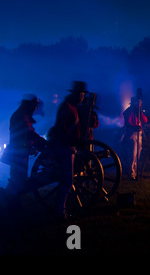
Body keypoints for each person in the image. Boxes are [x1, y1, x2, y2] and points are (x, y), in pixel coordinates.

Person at [47, 81, 87, 218]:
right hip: (64, 147)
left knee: (67, 181)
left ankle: (61, 209)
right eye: (81, 94)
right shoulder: (67, 107)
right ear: (77, 94)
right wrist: (72, 140)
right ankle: (60, 211)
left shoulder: (72, 107)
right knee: (67, 181)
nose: (82, 97)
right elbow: (61, 128)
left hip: (68, 146)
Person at [122, 96, 148, 180]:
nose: (138, 105)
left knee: (137, 155)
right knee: (132, 155)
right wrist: (135, 127)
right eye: (137, 103)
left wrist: (140, 113)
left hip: (138, 134)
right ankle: (131, 174)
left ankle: (135, 173)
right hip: (131, 135)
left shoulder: (138, 112)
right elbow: (127, 124)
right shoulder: (127, 112)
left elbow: (145, 120)